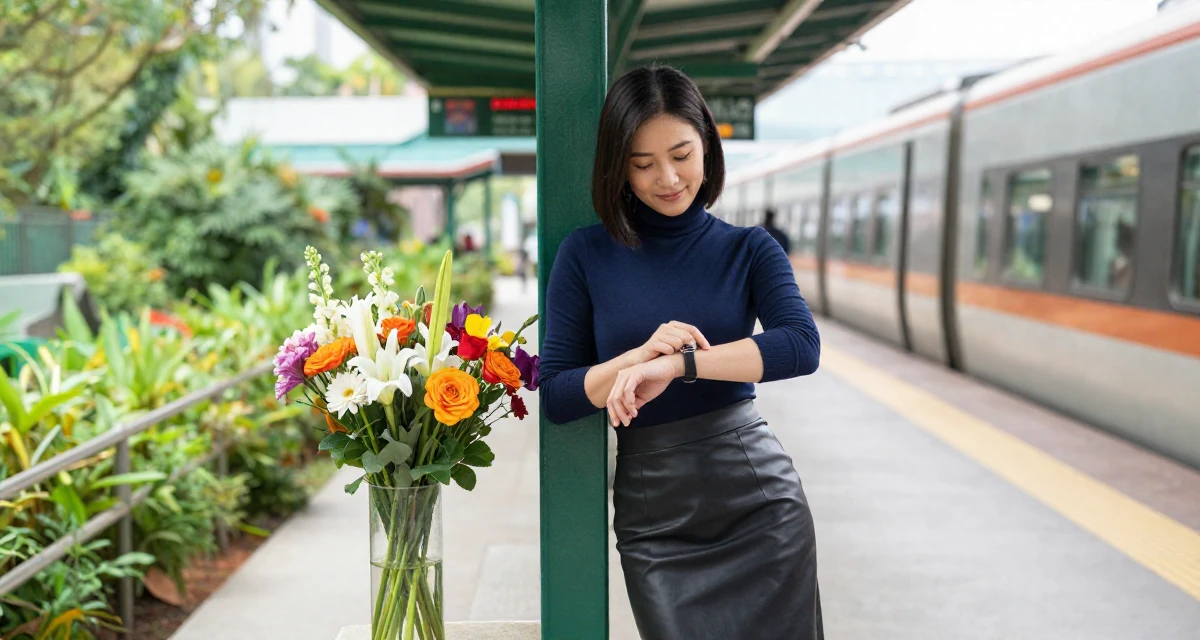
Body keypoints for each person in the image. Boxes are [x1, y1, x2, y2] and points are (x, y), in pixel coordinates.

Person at [538, 66, 823, 640]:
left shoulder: (750, 248)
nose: (667, 178)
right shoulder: (586, 253)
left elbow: (801, 345)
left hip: (757, 499)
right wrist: (636, 357)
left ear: (708, 149)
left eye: (681, 154)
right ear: (618, 166)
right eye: (642, 164)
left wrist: (679, 363)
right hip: (655, 514)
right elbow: (559, 395)